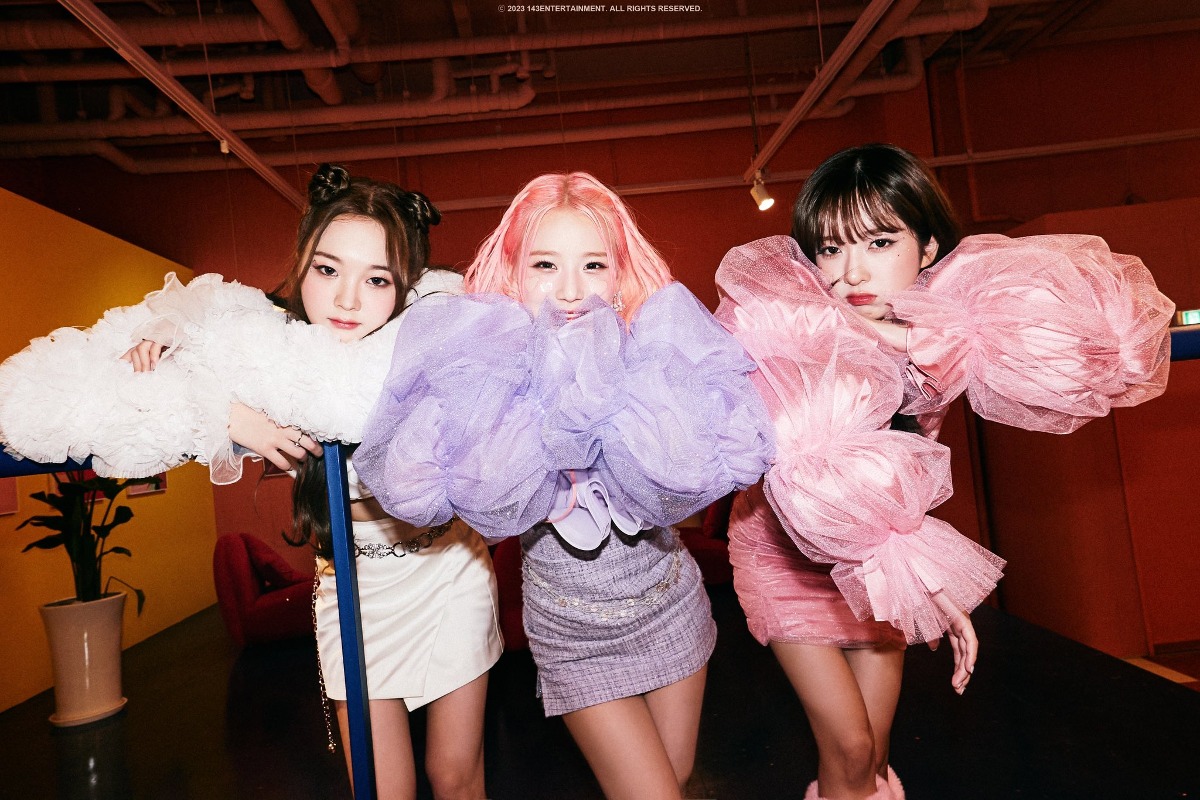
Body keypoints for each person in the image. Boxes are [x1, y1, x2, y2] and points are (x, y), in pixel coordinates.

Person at [0, 164, 503, 800]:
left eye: (377, 279)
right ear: (302, 264)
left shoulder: (424, 341)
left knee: (455, 779)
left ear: (404, 286)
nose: (347, 300)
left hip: (447, 570)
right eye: (328, 270)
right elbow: (136, 364)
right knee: (381, 789)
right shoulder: (268, 350)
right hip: (351, 585)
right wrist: (229, 414)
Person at [714, 143, 1173, 800]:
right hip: (788, 558)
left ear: (927, 248)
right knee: (850, 747)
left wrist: (916, 339)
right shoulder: (787, 329)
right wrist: (936, 588)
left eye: (879, 242)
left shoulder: (954, 330)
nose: (851, 271)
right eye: (830, 248)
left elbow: (1095, 344)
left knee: (874, 756)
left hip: (886, 563)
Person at [353, 171, 775, 800]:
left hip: (670, 603)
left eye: (594, 264)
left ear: (620, 273)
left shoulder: (653, 352)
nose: (572, 289)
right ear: (514, 273)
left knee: (676, 779)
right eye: (545, 264)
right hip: (573, 634)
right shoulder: (486, 374)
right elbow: (421, 467)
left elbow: (719, 456)